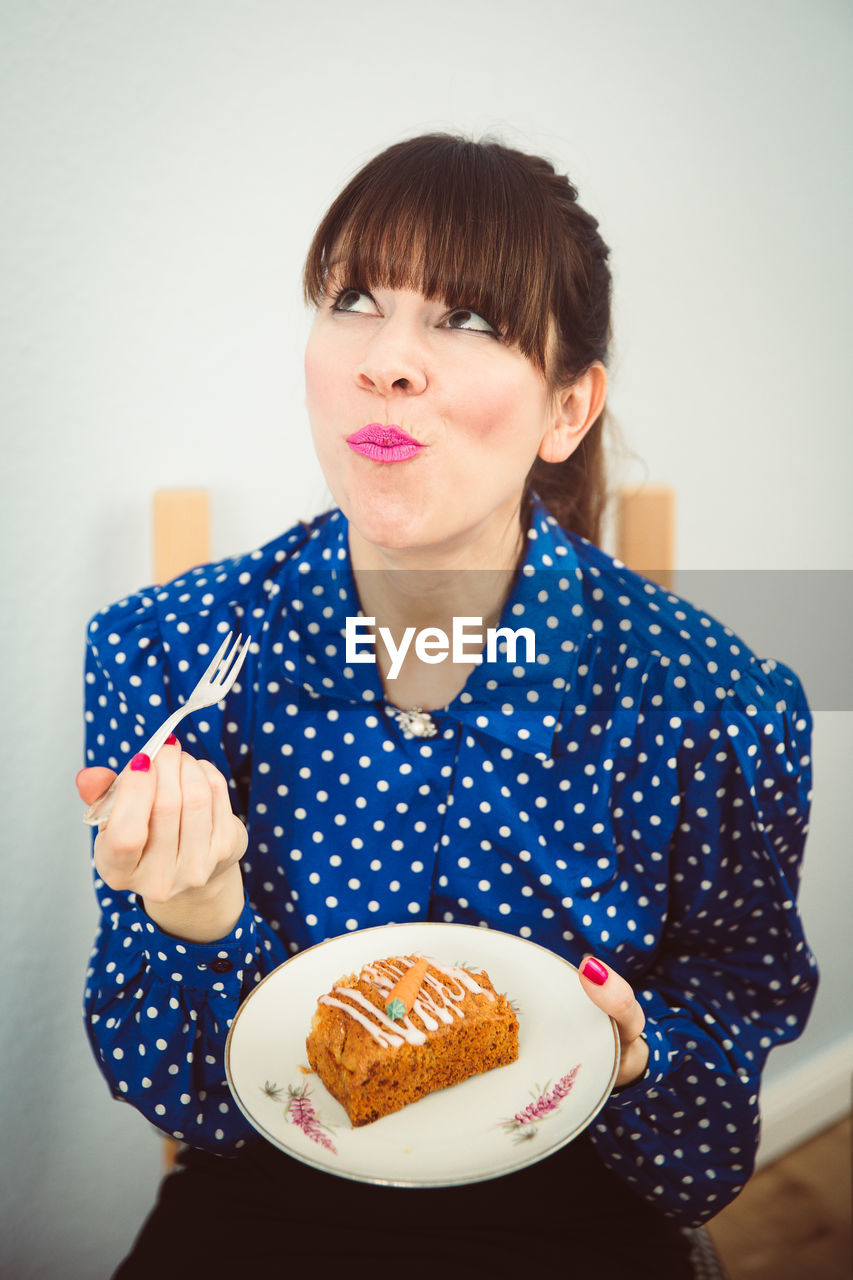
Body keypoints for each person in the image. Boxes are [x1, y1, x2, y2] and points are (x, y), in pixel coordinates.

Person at [77, 133, 817, 1279]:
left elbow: (706, 1139)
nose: (388, 362)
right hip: (270, 1204)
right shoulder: (167, 654)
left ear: (567, 408)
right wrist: (198, 915)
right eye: (355, 299)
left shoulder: (718, 700)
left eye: (468, 318)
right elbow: (187, 1108)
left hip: (583, 1203)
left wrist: (640, 1055)